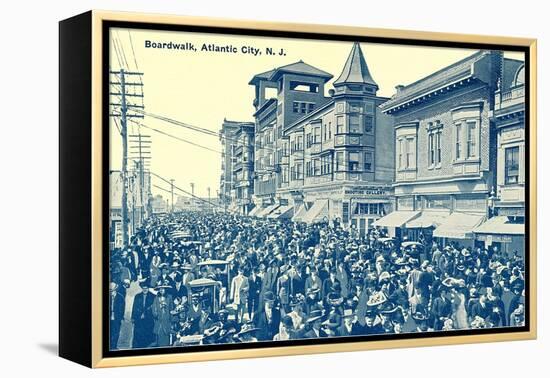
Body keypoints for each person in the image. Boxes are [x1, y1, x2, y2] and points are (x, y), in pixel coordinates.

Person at [131, 280, 156, 348]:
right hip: (138, 318)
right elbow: (134, 307)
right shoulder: (137, 296)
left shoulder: (153, 296)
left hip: (148, 319)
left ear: (148, 288)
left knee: (147, 333)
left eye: (146, 288)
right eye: (143, 288)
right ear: (141, 288)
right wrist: (133, 317)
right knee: (138, 334)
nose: (145, 290)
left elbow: (154, 308)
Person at [109, 282, 125, 350]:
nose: (111, 292)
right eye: (110, 291)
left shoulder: (120, 297)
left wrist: (120, 317)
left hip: (117, 318)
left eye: (112, 290)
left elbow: (122, 309)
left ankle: (114, 346)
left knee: (116, 332)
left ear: (116, 289)